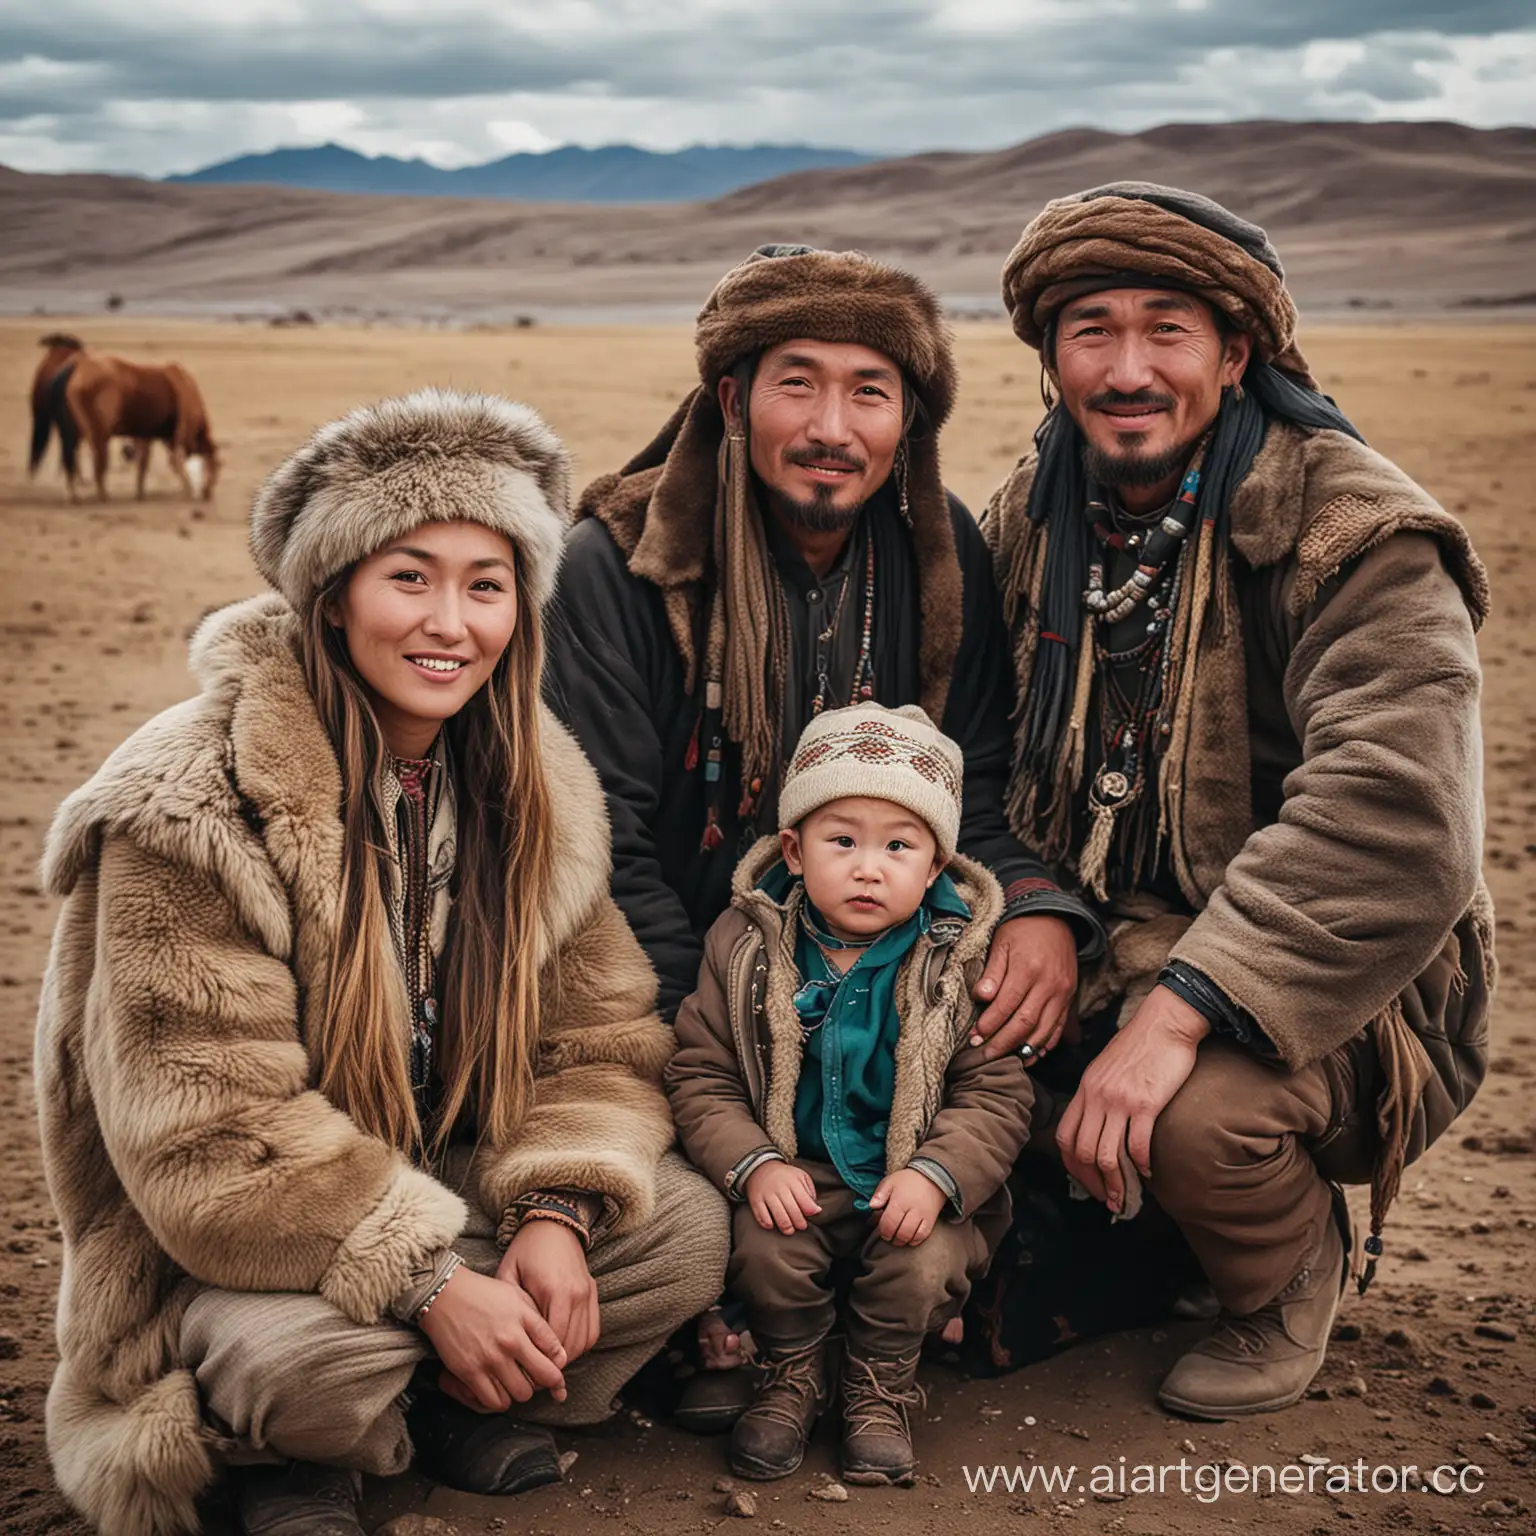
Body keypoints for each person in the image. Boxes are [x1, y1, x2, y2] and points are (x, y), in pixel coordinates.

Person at [34, 390, 729, 1536]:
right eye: (409, 576)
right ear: (332, 593)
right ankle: (314, 1439)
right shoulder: (194, 798)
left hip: (433, 1183)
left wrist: (554, 1211)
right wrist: (433, 1285)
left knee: (684, 1237)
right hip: (230, 1242)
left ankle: (409, 1411)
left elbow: (594, 1039)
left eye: (486, 583)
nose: (449, 621)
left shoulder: (537, 777)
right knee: (308, 1364)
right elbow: (208, 1137)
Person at [546, 244, 1098, 1420]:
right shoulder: (620, 564)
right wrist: (741, 1003)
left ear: (910, 417)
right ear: (733, 399)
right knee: (677, 1150)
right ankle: (735, 1319)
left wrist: (1036, 909)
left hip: (874, 948)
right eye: (797, 383)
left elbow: (975, 788)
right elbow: (600, 842)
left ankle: (891, 1298)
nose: (832, 426)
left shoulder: (935, 550)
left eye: (870, 392)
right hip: (666, 976)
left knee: (1042, 1061)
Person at [979, 183, 1494, 1418]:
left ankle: (1280, 1273)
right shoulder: (1031, 519)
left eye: (1168, 328)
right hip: (1103, 930)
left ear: (1237, 351)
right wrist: (1036, 900)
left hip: (1328, 982)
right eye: (1091, 330)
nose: (1128, 366)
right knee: (932, 1046)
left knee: (1196, 1124)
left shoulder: (1355, 530)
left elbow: (1398, 819)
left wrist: (1180, 1012)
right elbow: (969, 745)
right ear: (1051, 361)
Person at [666, 703, 1031, 1485]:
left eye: (899, 846)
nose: (870, 867)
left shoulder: (959, 960)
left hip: (915, 1180)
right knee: (764, 1254)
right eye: (843, 842)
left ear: (935, 867)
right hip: (796, 1169)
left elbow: (995, 1095)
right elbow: (702, 1074)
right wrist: (754, 1163)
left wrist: (938, 1176)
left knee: (918, 1266)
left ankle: (877, 1385)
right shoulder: (744, 949)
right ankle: (792, 1371)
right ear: (793, 852)